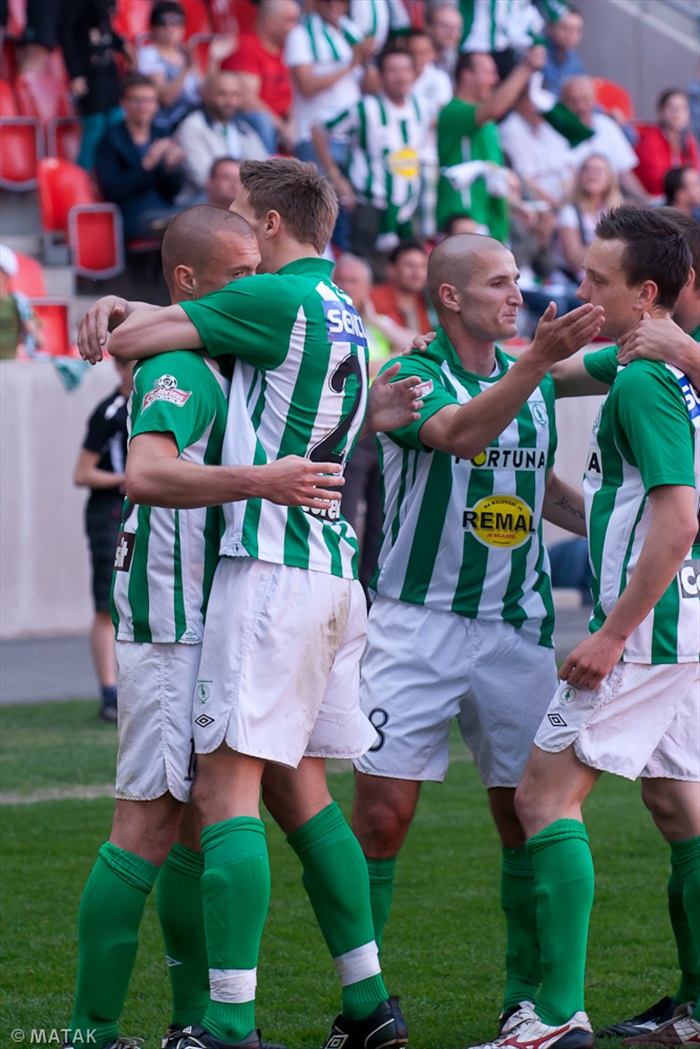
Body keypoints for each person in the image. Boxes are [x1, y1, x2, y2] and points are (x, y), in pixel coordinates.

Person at [82, 157, 421, 1049]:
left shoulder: (264, 311)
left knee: (211, 802)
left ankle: (214, 1025)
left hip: (265, 575)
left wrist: (121, 316)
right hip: (333, 574)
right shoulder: (343, 306)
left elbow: (133, 368)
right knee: (300, 795)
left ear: (270, 227)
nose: (244, 260)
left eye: (244, 223)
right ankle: (367, 1002)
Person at [352, 232, 605, 1038]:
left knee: (525, 814)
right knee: (381, 816)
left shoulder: (530, 380)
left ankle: (527, 997)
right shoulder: (410, 376)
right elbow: (460, 435)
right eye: (500, 283)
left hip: (517, 629)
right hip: (413, 623)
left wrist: (610, 525)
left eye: (519, 280)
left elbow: (535, 478)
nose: (518, 294)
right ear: (451, 296)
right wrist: (533, 364)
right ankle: (362, 1000)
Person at [476, 205, 699, 1049]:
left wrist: (610, 634)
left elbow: (678, 520)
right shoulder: (650, 362)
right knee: (682, 810)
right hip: (683, 625)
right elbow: (560, 371)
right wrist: (500, 361)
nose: (576, 290)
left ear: (645, 294)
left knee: (543, 797)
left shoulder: (647, 378)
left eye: (594, 280)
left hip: (643, 629)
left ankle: (556, 1013)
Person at [312, 44, 430, 258]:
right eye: (393, 71)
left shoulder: (421, 107)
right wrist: (334, 176)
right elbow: (319, 130)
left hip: (407, 208)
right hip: (370, 207)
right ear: (381, 76)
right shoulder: (365, 108)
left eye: (405, 70)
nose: (400, 77)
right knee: (367, 271)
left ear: (414, 73)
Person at [74, 356, 133, 723]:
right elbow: (82, 473)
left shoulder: (152, 403)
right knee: (106, 602)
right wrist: (125, 479)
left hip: (141, 511)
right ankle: (109, 693)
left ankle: (130, 688)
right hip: (110, 512)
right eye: (130, 365)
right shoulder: (109, 412)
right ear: (119, 369)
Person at [436, 45, 546, 239]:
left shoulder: (488, 124)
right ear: (466, 75)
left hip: (493, 222)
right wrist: (526, 67)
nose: (495, 80)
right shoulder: (453, 111)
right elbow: (496, 107)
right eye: (488, 73)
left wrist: (515, 206)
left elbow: (492, 174)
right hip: (466, 219)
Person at [94, 73, 186, 240]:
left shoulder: (161, 134)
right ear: (124, 103)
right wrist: (148, 164)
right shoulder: (110, 141)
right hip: (131, 215)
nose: (143, 106)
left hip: (165, 208)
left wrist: (169, 169)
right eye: (137, 100)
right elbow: (112, 191)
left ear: (156, 105)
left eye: (149, 100)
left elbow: (172, 191)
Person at [58, 0, 130, 172]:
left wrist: (122, 46)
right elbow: (66, 32)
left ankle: (113, 174)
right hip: (89, 72)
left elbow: (106, 28)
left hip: (109, 71)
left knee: (116, 120)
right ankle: (83, 178)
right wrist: (75, 74)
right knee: (94, 125)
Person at [176, 71, 267, 204]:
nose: (230, 101)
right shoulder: (192, 126)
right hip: (199, 202)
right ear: (206, 95)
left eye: (235, 95)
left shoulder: (243, 128)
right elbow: (205, 179)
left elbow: (263, 168)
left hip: (239, 198)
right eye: (222, 94)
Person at [221, 0, 299, 154]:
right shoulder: (246, 46)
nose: (296, 28)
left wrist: (292, 123)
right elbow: (247, 101)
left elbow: (293, 96)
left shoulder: (287, 51)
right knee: (262, 121)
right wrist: (282, 127)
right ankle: (267, 175)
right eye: (290, 21)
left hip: (282, 125)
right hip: (250, 123)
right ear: (271, 24)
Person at [561, 75, 649, 201]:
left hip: (612, 202)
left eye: (585, 100)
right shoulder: (555, 133)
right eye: (573, 101)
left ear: (594, 100)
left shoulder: (606, 125)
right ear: (564, 103)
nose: (580, 107)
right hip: (577, 204)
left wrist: (646, 200)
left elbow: (624, 172)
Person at [634, 89, 700, 200]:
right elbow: (656, 180)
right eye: (671, 107)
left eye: (683, 107)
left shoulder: (689, 140)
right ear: (661, 112)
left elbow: (695, 174)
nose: (677, 112)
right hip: (657, 201)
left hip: (683, 199)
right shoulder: (651, 138)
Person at [370, 238, 432, 333]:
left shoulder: (428, 303)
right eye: (410, 265)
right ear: (391, 269)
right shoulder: (374, 300)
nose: (417, 273)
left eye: (422, 266)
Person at [0, 244, 43, 359]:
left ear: (6, 275)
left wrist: (32, 330)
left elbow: (40, 342)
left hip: (11, 365)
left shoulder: (19, 304)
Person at [541, 6, 586, 99]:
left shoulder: (576, 62)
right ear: (550, 28)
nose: (572, 35)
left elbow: (583, 96)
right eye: (565, 28)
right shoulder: (537, 55)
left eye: (578, 30)